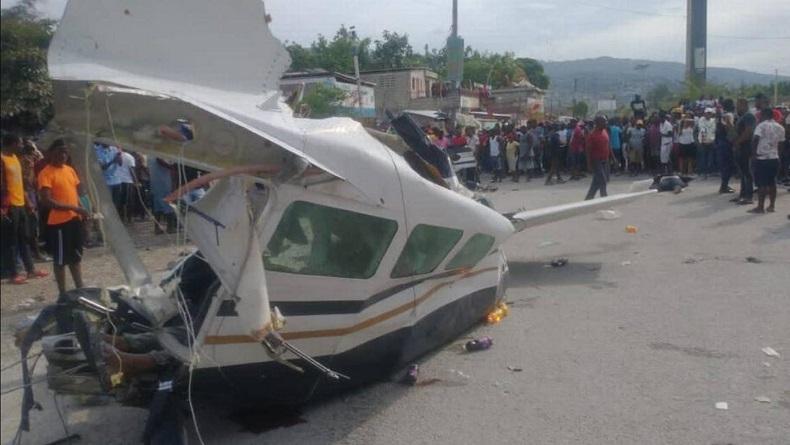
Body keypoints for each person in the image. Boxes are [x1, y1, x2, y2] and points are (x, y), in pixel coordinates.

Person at [37, 140, 88, 294]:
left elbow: (77, 193)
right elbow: (47, 201)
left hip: (74, 220)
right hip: (59, 223)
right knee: (60, 260)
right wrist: (74, 208)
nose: (63, 155)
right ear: (51, 153)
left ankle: (80, 287)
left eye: (65, 152)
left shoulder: (70, 170)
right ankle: (63, 292)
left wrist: (83, 210)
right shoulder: (46, 173)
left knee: (76, 256)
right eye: (59, 152)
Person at [1, 134, 49, 284]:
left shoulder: (15, 158)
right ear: (12, 144)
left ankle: (30, 269)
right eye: (20, 143)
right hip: (8, 205)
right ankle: (12, 273)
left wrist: (27, 201)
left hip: (20, 203)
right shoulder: (2, 159)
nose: (22, 146)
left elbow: (19, 182)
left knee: (24, 238)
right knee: (10, 241)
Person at [748, 108, 785, 213]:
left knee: (762, 184)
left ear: (763, 115)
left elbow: (755, 139)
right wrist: (778, 154)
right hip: (774, 158)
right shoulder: (780, 127)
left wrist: (754, 154)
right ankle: (772, 206)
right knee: (772, 182)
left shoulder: (761, 126)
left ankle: (760, 207)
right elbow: (782, 143)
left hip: (762, 158)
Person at [732, 98, 756, 205]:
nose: (736, 107)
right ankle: (742, 194)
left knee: (747, 172)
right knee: (742, 172)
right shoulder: (741, 117)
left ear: (745, 105)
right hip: (740, 147)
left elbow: (748, 131)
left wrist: (737, 142)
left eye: (738, 105)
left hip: (746, 147)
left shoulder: (749, 116)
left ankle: (749, 196)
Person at [585, 116, 612, 200]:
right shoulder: (592, 135)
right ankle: (605, 201)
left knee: (596, 183)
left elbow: (608, 146)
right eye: (604, 122)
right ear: (598, 123)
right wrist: (589, 164)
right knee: (603, 181)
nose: (606, 123)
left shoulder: (604, 131)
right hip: (596, 161)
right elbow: (588, 151)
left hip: (605, 160)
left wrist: (613, 158)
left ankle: (588, 199)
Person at [716, 99, 737, 194]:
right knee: (728, 165)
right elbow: (729, 127)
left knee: (725, 165)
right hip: (726, 143)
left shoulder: (721, 115)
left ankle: (724, 185)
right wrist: (734, 141)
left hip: (720, 142)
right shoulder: (728, 115)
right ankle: (724, 186)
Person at [115, 147, 137, 222]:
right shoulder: (130, 157)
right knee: (129, 201)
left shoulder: (116, 155)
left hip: (117, 181)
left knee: (120, 201)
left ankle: (121, 218)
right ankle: (129, 218)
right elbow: (132, 170)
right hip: (127, 181)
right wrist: (136, 181)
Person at [696, 108, 717, 178]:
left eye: (709, 113)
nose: (708, 114)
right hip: (703, 142)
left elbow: (714, 131)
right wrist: (703, 140)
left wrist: (712, 140)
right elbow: (702, 129)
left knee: (710, 158)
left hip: (711, 141)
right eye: (707, 113)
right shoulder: (701, 120)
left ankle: (709, 172)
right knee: (703, 158)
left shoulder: (713, 121)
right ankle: (703, 172)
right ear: (704, 113)